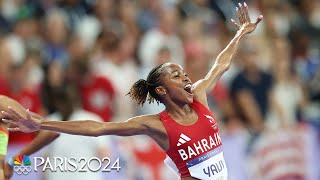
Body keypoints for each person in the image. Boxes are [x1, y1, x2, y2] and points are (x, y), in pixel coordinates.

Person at [2, 3, 263, 180]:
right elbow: (98, 129)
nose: (185, 77)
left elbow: (220, 65)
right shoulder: (156, 124)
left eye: (184, 72)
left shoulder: (199, 96)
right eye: (176, 75)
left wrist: (240, 33)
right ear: (161, 90)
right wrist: (37, 125)